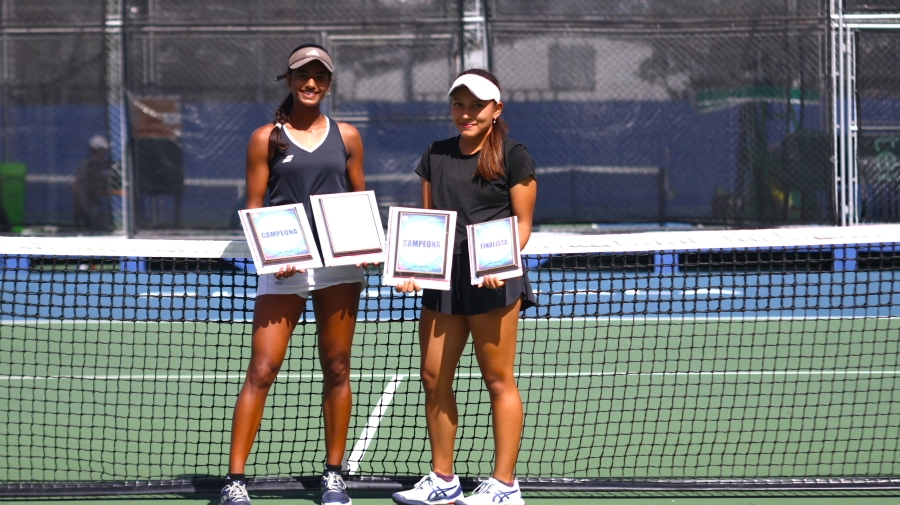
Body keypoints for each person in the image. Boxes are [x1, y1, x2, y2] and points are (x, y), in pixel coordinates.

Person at [220, 44, 366, 505]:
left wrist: (366, 246)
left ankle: (334, 476)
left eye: (319, 76)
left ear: (329, 83)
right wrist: (271, 251)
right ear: (288, 80)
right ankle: (235, 482)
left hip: (339, 268)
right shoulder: (265, 138)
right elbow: (253, 206)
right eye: (303, 75)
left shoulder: (348, 136)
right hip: (285, 267)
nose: (311, 83)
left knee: (337, 367)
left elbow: (358, 201)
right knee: (262, 368)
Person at [391, 69, 537, 505]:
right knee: (433, 376)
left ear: (496, 109)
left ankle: (505, 485)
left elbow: (522, 224)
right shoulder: (435, 153)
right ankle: (443, 480)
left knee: (497, 378)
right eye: (459, 104)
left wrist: (500, 263)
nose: (467, 113)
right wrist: (412, 269)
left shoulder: (514, 155)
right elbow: (428, 222)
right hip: (444, 283)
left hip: (494, 282)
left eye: (477, 105)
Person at [72, 134, 113, 231]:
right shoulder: (89, 164)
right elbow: (80, 185)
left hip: (92, 199)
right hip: (86, 200)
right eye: (102, 150)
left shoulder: (98, 164)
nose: (103, 153)